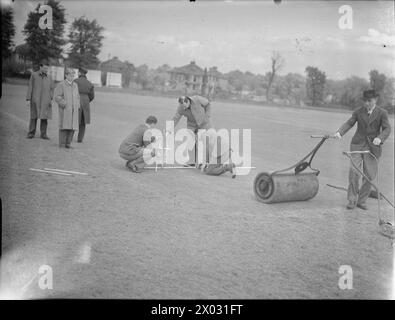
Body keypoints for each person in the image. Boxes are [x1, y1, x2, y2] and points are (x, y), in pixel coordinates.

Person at [334, 89, 391, 210]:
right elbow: (349, 123)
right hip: (357, 145)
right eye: (365, 101)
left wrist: (380, 138)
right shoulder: (358, 112)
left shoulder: (382, 113)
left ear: (375, 100)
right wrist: (340, 132)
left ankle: (362, 201)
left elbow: (387, 129)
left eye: (369, 101)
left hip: (373, 148)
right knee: (354, 172)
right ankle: (352, 200)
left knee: (369, 176)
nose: (366, 103)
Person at [168, 95, 212, 165]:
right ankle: (191, 162)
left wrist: (207, 116)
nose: (184, 108)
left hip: (203, 123)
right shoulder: (181, 108)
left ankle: (207, 161)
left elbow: (208, 104)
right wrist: (169, 128)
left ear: (188, 101)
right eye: (182, 106)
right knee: (190, 141)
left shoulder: (197, 99)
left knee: (204, 142)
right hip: (191, 125)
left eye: (185, 106)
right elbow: (176, 118)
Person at [26, 60, 54, 139]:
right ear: (40, 67)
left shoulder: (49, 77)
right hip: (35, 100)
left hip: (45, 100)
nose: (46, 70)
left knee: (44, 117)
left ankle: (43, 134)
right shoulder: (34, 75)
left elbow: (52, 88)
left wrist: (50, 98)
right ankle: (31, 133)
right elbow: (30, 87)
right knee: (33, 116)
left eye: (47, 68)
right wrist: (28, 99)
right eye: (44, 68)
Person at [53, 68, 81, 149]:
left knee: (72, 127)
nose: (72, 77)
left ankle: (68, 143)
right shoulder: (61, 84)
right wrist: (64, 104)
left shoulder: (75, 85)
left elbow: (78, 97)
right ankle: (62, 144)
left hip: (74, 110)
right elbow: (57, 96)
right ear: (66, 75)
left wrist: (77, 105)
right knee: (64, 127)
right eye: (70, 75)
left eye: (73, 75)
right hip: (65, 110)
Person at [73, 67, 95, 143]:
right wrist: (86, 100)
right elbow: (92, 96)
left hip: (76, 100)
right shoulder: (90, 83)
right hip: (86, 101)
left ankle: (70, 137)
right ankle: (80, 139)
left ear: (79, 73)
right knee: (83, 122)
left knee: (74, 119)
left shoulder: (75, 81)